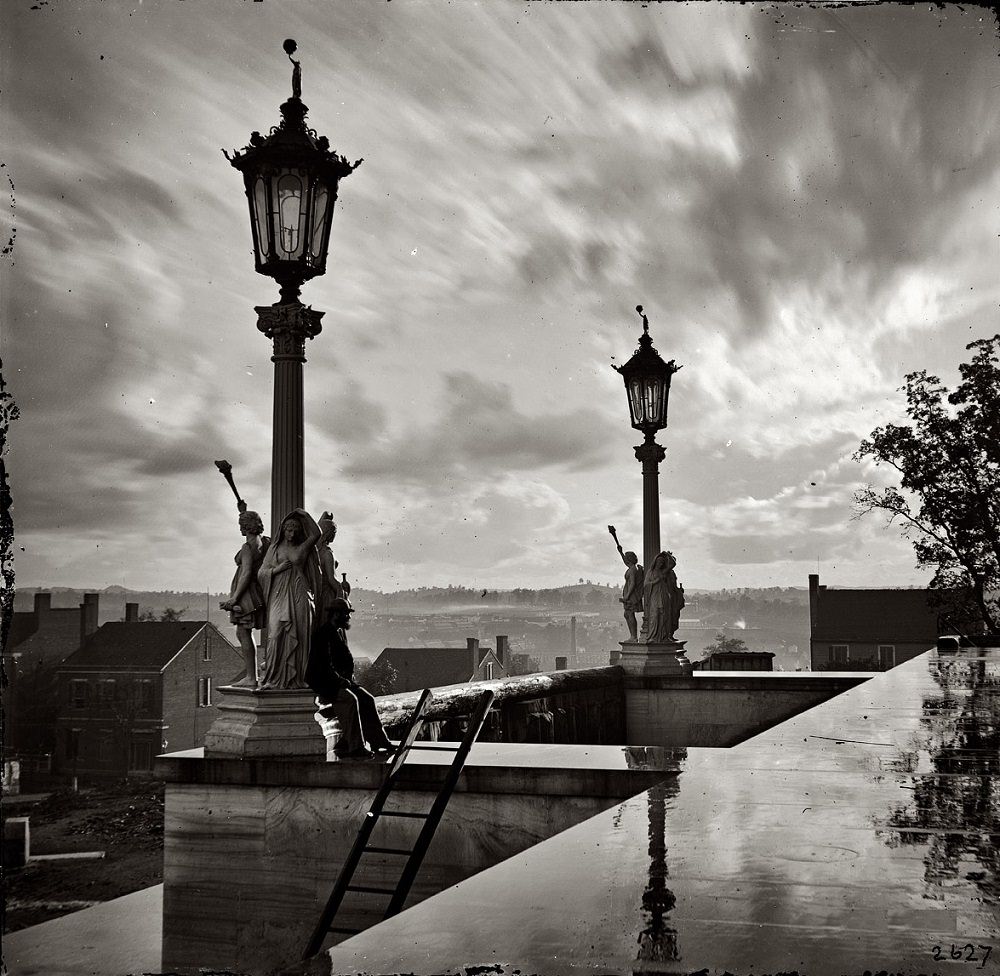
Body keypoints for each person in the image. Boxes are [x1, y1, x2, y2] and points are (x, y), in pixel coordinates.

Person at [307, 598, 393, 758]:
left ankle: (379, 741)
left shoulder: (335, 632)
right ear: (336, 614)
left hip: (339, 681)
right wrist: (340, 680)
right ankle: (355, 747)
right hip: (327, 683)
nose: (349, 617)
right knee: (350, 700)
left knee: (367, 699)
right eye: (346, 614)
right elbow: (324, 665)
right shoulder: (324, 634)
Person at [257, 509, 322, 689]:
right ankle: (272, 678)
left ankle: (296, 678)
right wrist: (276, 570)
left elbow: (317, 534)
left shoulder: (302, 548)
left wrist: (303, 514)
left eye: (295, 530)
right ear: (283, 530)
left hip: (299, 591)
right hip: (278, 593)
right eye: (288, 530)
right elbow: (261, 573)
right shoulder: (274, 549)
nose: (291, 534)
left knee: (300, 635)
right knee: (275, 633)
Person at [219, 509, 269, 688]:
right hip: (257, 591)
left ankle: (250, 676)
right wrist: (244, 510)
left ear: (247, 526)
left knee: (242, 631)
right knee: (245, 631)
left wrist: (234, 599)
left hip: (247, 593)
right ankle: (252, 675)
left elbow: (246, 572)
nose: (240, 528)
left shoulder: (247, 547)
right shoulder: (264, 542)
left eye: (241, 525)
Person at [610, 527, 644, 641]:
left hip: (631, 595)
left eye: (626, 556)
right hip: (630, 595)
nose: (625, 558)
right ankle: (633, 636)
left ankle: (633, 637)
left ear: (630, 559)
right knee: (627, 614)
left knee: (629, 614)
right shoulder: (631, 567)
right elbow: (625, 561)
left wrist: (627, 597)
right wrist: (620, 552)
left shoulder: (633, 569)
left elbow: (633, 583)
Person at [315, 511, 345, 621]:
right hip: (327, 596)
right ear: (329, 533)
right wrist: (341, 592)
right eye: (334, 532)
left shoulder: (317, 551)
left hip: (318, 594)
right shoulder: (328, 553)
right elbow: (332, 579)